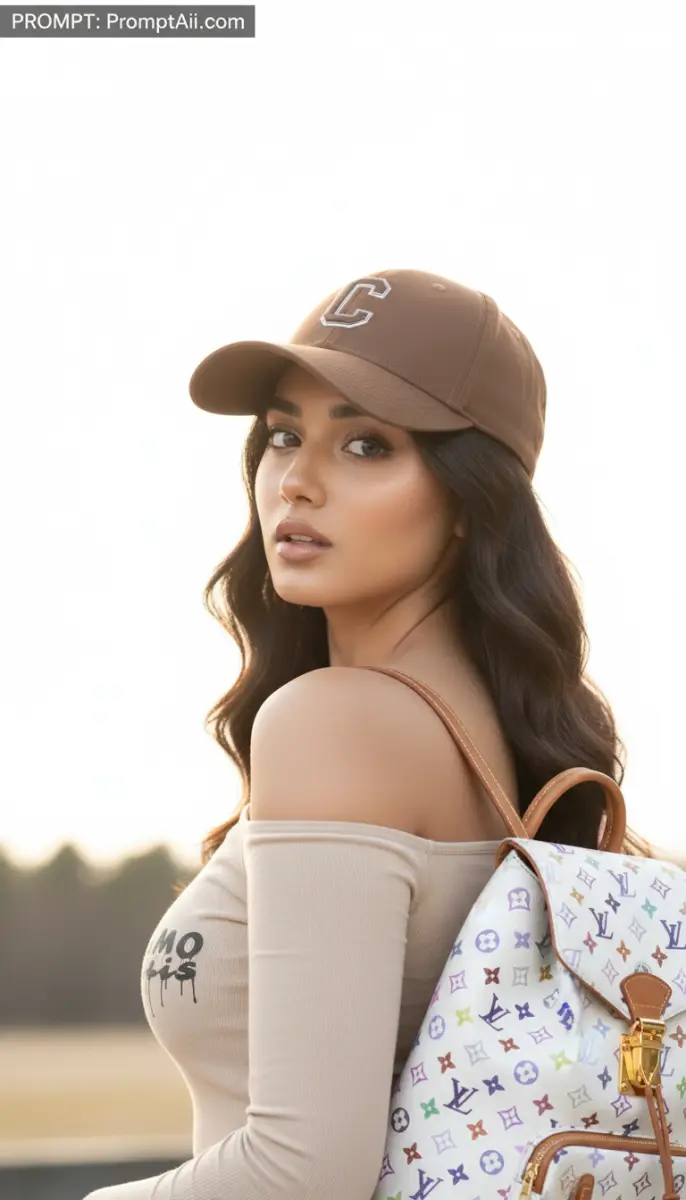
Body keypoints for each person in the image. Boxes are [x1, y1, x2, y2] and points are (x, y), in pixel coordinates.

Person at [83, 268, 665, 1200]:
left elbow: (301, 1175)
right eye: (282, 435)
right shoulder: (492, 734)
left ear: (474, 504)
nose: (298, 481)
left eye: (364, 443)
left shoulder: (339, 723)